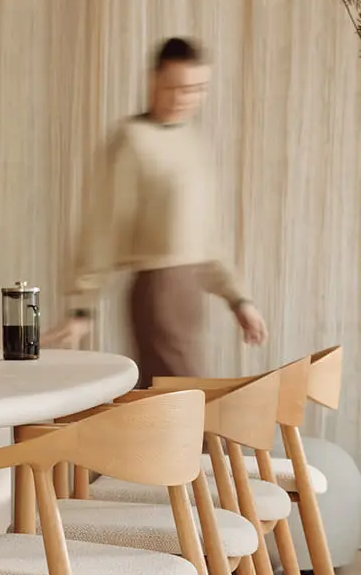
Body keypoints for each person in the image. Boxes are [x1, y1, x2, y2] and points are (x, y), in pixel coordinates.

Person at [45, 37, 267, 385]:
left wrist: (239, 300)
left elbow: (207, 237)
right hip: (158, 293)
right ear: (154, 80)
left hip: (191, 295)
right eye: (173, 87)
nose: (183, 98)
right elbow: (104, 225)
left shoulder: (193, 140)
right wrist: (82, 306)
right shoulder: (131, 139)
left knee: (171, 400)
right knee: (187, 398)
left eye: (195, 89)